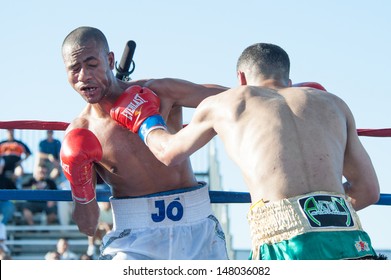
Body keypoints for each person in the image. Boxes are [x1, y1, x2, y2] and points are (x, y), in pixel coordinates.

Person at [116, 43, 383, 260]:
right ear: (288, 79)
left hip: (285, 243)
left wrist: (145, 121)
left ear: (241, 79)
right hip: (351, 240)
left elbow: (168, 154)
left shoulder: (227, 102)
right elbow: (368, 191)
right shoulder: (334, 103)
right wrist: (322, 209)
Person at [59, 26, 229, 260]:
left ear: (109, 60)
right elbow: (88, 225)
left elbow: (232, 100)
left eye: (91, 64)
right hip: (132, 242)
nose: (84, 76)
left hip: (197, 228)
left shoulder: (158, 92)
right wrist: (79, 186)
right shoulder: (81, 133)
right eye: (74, 69)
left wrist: (274, 91)